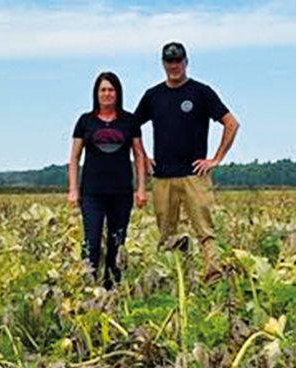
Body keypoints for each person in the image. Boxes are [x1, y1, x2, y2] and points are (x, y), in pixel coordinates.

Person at [133, 41, 239, 275]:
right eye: (169, 61)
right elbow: (131, 128)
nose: (174, 66)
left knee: (205, 231)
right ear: (163, 64)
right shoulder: (153, 96)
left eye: (178, 60)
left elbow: (231, 123)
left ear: (186, 62)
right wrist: (143, 157)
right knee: (166, 234)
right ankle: (175, 278)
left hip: (195, 175)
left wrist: (215, 159)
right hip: (162, 177)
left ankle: (212, 277)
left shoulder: (201, 92)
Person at [67, 71, 147, 289]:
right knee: (91, 242)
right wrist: (73, 189)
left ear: (118, 93)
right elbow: (74, 157)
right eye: (103, 89)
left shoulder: (129, 121)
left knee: (116, 243)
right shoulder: (85, 121)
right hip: (92, 193)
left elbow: (139, 156)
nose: (107, 94)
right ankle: (89, 287)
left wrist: (141, 189)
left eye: (111, 89)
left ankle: (111, 289)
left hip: (121, 193)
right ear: (96, 93)